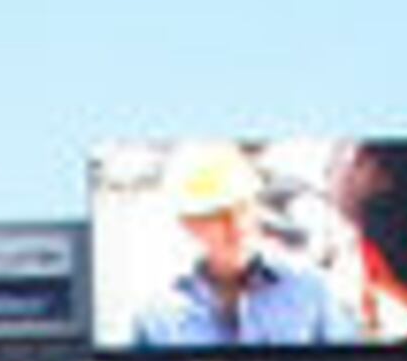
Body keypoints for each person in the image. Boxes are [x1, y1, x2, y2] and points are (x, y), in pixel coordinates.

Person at [124, 140, 357, 349]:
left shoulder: (312, 290)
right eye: (217, 215)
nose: (236, 227)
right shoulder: (157, 318)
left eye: (242, 209)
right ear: (189, 224)